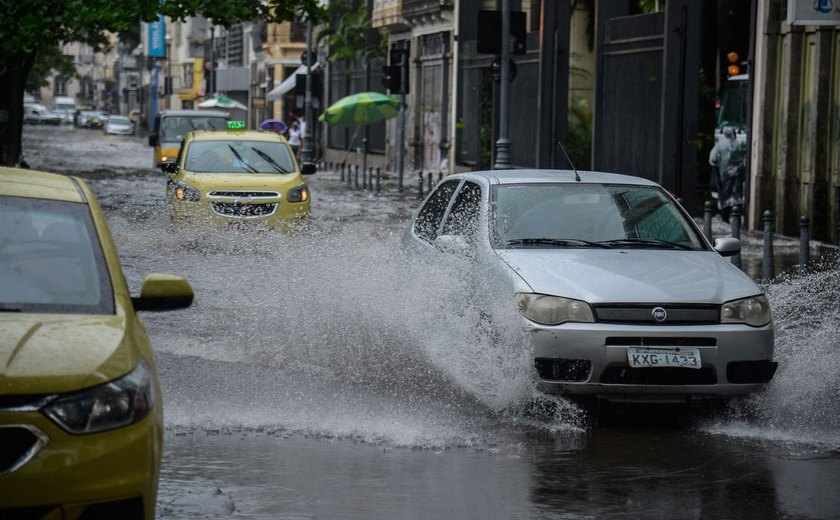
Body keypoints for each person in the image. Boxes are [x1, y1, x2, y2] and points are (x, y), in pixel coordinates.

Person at [708, 127, 745, 223]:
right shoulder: (739, 144)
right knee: (737, 196)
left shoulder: (720, 146)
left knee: (725, 197)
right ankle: (737, 217)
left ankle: (725, 218)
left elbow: (712, 159)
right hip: (737, 175)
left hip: (724, 176)